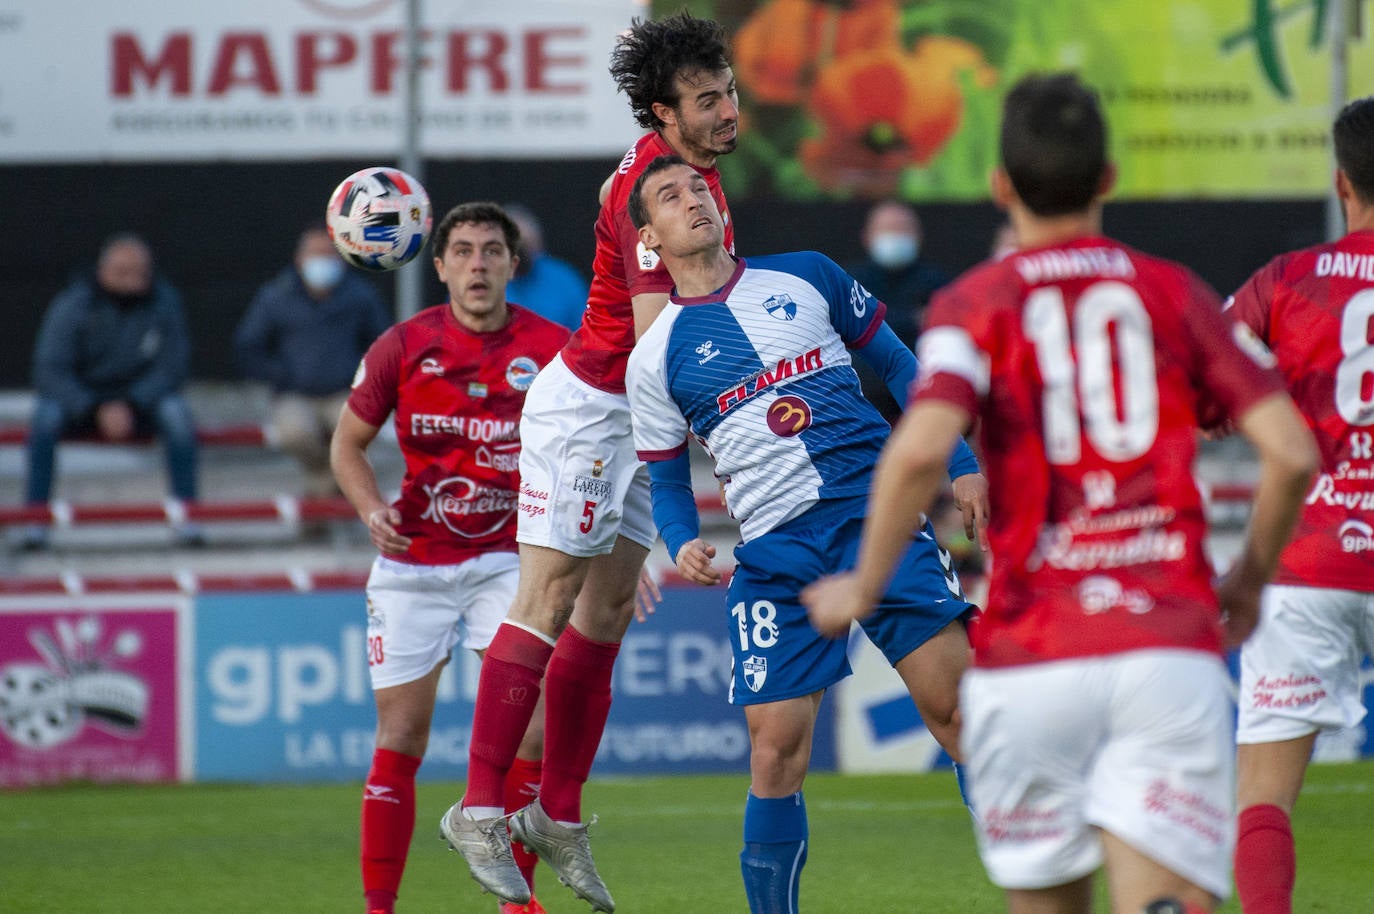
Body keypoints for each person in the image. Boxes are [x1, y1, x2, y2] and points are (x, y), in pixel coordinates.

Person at [801, 73, 1318, 914]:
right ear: (1109, 177)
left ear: (1000, 186)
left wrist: (863, 583)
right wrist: (1251, 579)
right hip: (1164, 649)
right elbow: (1291, 452)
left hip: (1030, 657)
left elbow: (922, 446)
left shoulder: (974, 303)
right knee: (1167, 895)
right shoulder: (1173, 293)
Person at [624, 156, 988, 913]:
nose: (693, 199)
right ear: (648, 240)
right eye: (670, 195)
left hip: (874, 520)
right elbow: (665, 477)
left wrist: (960, 462)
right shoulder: (653, 358)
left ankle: (1034, 876)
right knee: (775, 754)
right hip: (775, 556)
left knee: (961, 716)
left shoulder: (805, 275)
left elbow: (899, 362)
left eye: (699, 187)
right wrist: (678, 537)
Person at [440, 12, 739, 913]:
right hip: (596, 411)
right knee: (549, 598)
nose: (728, 110)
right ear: (662, 111)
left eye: (729, 91)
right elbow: (658, 341)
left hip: (644, 413)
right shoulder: (652, 190)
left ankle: (555, 813)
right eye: (706, 100)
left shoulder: (695, 174)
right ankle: (481, 806)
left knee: (606, 612)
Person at [331, 203, 570, 914]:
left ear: (512, 265)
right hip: (412, 569)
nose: (476, 264)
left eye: (491, 251)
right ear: (437, 266)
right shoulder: (402, 346)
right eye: (462, 251)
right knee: (401, 735)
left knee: (532, 728)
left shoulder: (553, 349)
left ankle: (516, 899)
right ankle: (380, 907)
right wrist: (372, 508)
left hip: (506, 564)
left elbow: (595, 443)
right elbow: (345, 446)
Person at [1224, 94, 1374, 914]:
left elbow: (1208, 384)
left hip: (1308, 559)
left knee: (1264, 798)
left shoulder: (1288, 282)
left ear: (1341, 183)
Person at [24, 232, 201, 549]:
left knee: (178, 415)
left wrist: (132, 403)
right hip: (83, 402)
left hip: (141, 401)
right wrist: (94, 407)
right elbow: (50, 370)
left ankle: (188, 517)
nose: (133, 281)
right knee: (44, 417)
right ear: (102, 271)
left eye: (141, 273)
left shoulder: (164, 303)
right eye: (123, 273)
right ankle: (35, 520)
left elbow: (173, 367)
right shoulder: (73, 305)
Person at [236, 226, 391, 496]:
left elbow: (383, 343)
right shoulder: (276, 296)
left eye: (329, 254)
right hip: (293, 394)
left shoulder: (360, 295)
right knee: (295, 433)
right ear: (299, 258)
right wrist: (279, 374)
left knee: (359, 431)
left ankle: (319, 493)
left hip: (345, 392)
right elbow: (249, 345)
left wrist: (363, 377)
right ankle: (329, 480)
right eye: (315, 254)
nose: (322, 261)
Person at [844, 200, 951, 424]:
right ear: (867, 236)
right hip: (862, 406)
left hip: (922, 405)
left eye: (902, 228)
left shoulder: (938, 282)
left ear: (918, 236)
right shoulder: (849, 281)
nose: (894, 235)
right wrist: (914, 319)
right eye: (886, 229)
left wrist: (871, 321)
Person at [504, 203, 590, 332]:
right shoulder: (485, 281)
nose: (519, 253)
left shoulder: (564, 280)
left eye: (525, 245)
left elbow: (586, 333)